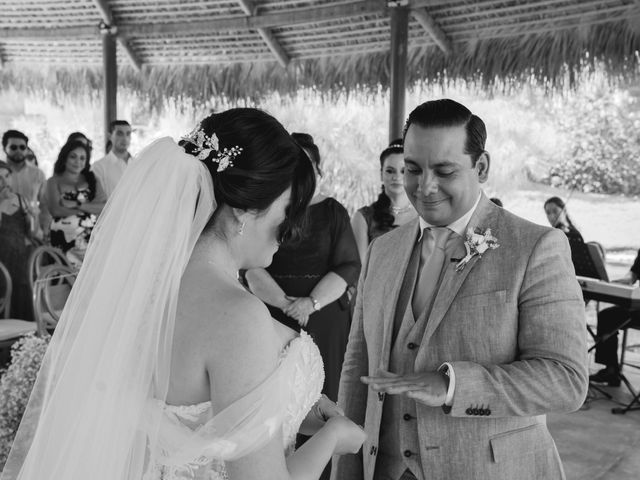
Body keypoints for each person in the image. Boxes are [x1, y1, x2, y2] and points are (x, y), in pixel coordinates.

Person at [2, 108, 365, 480]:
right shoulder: (237, 315)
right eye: (288, 211)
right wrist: (334, 438)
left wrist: (296, 404)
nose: (291, 228)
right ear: (242, 210)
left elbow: (190, 420)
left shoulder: (142, 292)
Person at [333, 99, 588, 480]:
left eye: (445, 171)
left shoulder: (535, 247)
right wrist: (346, 468)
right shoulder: (382, 250)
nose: (425, 187)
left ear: (481, 167)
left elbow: (565, 379)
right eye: (414, 170)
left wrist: (455, 385)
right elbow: (358, 367)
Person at [245, 132, 361, 403]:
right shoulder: (264, 209)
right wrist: (286, 305)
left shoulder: (333, 211)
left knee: (323, 390)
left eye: (304, 164)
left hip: (323, 317)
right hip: (272, 312)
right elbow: (248, 264)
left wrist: (310, 303)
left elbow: (349, 265)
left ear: (317, 169)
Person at [351, 140, 418, 263]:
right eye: (390, 171)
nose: (396, 177)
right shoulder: (363, 218)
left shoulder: (425, 215)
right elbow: (361, 271)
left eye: (403, 171)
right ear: (381, 174)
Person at [43, 141, 106, 264]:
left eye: (82, 158)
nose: (78, 161)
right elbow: (56, 210)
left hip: (91, 240)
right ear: (64, 157)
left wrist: (77, 204)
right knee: (64, 278)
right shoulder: (53, 181)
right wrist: (88, 210)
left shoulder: (92, 179)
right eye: (73, 156)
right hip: (62, 241)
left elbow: (104, 207)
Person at [589, 249, 640, 386]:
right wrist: (624, 281)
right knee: (607, 316)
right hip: (637, 306)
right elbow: (633, 274)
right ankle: (611, 370)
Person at [0, 163, 37, 320]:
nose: (4, 182)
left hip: (23, 258)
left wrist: (32, 217)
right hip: (3, 262)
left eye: (7, 176)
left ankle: (28, 340)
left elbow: (33, 233)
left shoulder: (21, 200)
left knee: (24, 298)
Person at [2, 130, 46, 239]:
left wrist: (44, 229)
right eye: (13, 147)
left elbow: (45, 204)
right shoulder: (2, 172)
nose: (18, 150)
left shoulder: (37, 173)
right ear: (4, 149)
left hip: (33, 232)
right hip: (4, 231)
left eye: (22, 147)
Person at [92, 120, 132, 198]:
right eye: (119, 134)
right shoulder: (99, 167)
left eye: (128, 134)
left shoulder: (137, 164)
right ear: (110, 136)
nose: (125, 138)